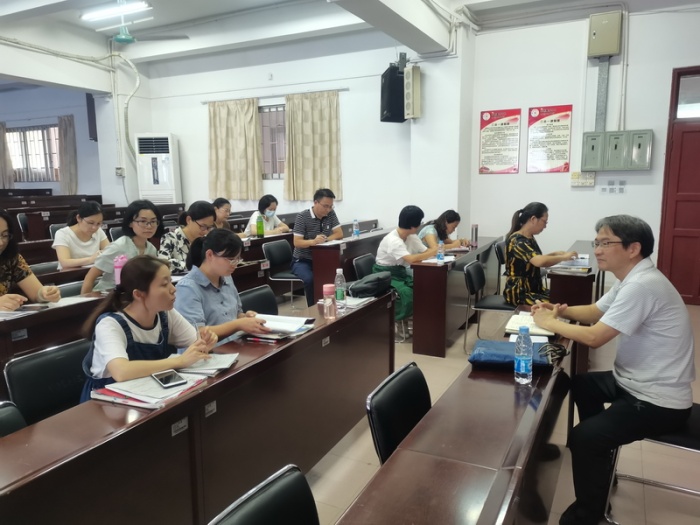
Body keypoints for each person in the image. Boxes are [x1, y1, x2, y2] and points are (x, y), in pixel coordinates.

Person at [531, 215, 695, 525]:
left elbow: (595, 337)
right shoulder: (632, 278)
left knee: (584, 437)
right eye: (597, 243)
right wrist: (557, 311)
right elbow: (595, 312)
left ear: (634, 248)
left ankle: (589, 515)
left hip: (658, 400)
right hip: (633, 382)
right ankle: (601, 461)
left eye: (606, 243)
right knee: (582, 384)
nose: (597, 250)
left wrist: (549, 323)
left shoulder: (643, 286)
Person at [80, 255, 218, 402]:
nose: (173, 289)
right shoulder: (110, 324)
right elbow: (121, 371)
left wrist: (205, 343)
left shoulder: (166, 314)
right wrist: (180, 361)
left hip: (149, 393)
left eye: (170, 281)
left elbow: (196, 343)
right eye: (164, 285)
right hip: (106, 401)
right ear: (138, 294)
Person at [174, 228, 270, 341]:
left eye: (238, 259)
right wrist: (239, 324)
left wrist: (246, 318)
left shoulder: (226, 277)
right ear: (210, 255)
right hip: (208, 350)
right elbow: (197, 333)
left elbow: (236, 314)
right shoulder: (187, 288)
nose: (235, 264)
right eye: (230, 259)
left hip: (234, 344)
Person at [81, 200, 165, 294]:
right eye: (143, 221)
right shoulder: (118, 247)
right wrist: (85, 300)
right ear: (130, 223)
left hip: (132, 295)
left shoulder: (151, 249)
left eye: (153, 221)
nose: (149, 226)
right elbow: (90, 277)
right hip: (107, 295)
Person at [503, 202, 578, 306]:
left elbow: (535, 258)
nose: (545, 226)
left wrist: (555, 254)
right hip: (519, 293)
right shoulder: (517, 241)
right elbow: (539, 261)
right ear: (533, 219)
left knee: (564, 297)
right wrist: (563, 257)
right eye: (544, 222)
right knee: (560, 304)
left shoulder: (528, 237)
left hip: (534, 289)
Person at [373, 205, 438, 320]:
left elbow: (426, 252)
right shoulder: (393, 240)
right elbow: (411, 259)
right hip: (384, 275)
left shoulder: (411, 236)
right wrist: (433, 251)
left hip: (399, 272)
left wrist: (432, 252)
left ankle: (422, 320)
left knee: (422, 286)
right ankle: (396, 321)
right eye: (419, 222)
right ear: (413, 226)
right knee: (406, 293)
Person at [0, 208, 60, 311]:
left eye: (4, 235)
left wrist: (45, 293)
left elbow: (36, 293)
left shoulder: (11, 258)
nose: (1, 243)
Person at [291, 188, 343, 306]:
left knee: (332, 276)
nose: (328, 209)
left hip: (322, 259)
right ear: (315, 202)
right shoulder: (302, 217)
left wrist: (325, 239)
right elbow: (297, 242)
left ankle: (332, 305)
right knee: (310, 279)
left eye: (331, 206)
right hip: (302, 260)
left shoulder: (331, 214)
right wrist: (313, 242)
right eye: (325, 206)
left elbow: (339, 233)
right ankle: (312, 308)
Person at [158, 201, 216, 273]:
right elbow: (164, 263)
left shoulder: (206, 240)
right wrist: (195, 267)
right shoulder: (170, 238)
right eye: (203, 226)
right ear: (189, 220)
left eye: (209, 227)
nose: (206, 232)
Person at [52, 200, 110, 270]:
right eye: (90, 223)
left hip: (94, 271)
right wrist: (91, 259)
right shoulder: (63, 234)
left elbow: (109, 251)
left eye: (99, 223)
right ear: (79, 218)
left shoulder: (98, 231)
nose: (94, 227)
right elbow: (64, 262)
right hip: (71, 273)